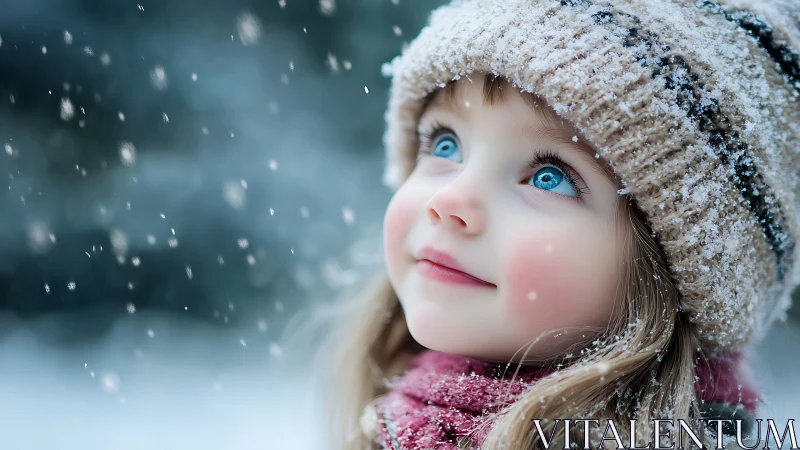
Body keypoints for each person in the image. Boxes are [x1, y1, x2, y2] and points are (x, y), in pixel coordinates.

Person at [317, 0, 800, 448]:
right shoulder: (403, 419)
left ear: (671, 272)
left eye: (549, 177)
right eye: (445, 145)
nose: (449, 201)